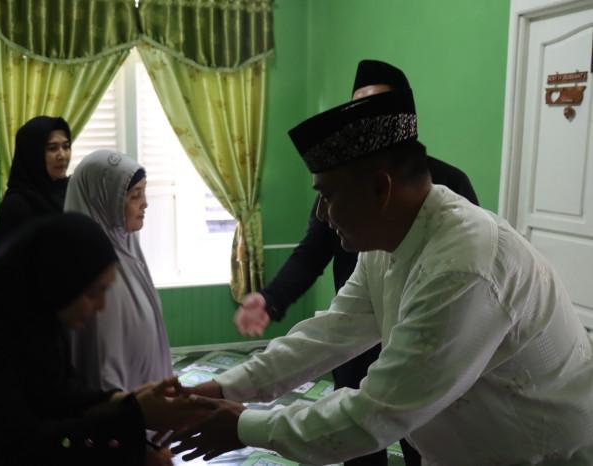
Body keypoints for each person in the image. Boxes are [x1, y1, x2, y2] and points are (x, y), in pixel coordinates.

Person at [171, 89, 593, 465]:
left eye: (327, 196)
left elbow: (375, 414)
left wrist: (244, 427)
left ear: (380, 189)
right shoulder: (389, 242)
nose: (321, 214)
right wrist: (224, 388)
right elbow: (329, 334)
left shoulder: (464, 266)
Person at [234, 59, 478, 466]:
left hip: (425, 333)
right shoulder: (345, 197)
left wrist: (240, 425)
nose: (364, 123)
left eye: (377, 109)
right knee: (358, 442)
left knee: (421, 430)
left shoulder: (454, 211)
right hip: (361, 329)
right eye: (356, 110)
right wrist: (271, 299)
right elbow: (313, 257)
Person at [0, 214, 194, 465]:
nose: (101, 306)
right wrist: (132, 415)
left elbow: (57, 396)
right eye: (93, 293)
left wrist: (127, 401)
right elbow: (22, 443)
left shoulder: (31, 316)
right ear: (59, 279)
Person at [64, 150, 173, 392]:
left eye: (144, 192)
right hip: (122, 407)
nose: (145, 203)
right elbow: (102, 368)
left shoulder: (128, 250)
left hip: (145, 401)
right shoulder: (92, 274)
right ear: (104, 202)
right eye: (135, 195)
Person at [0, 115, 72, 249]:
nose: (62, 155)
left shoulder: (70, 191)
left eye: (66, 146)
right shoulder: (16, 206)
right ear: (32, 154)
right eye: (52, 148)